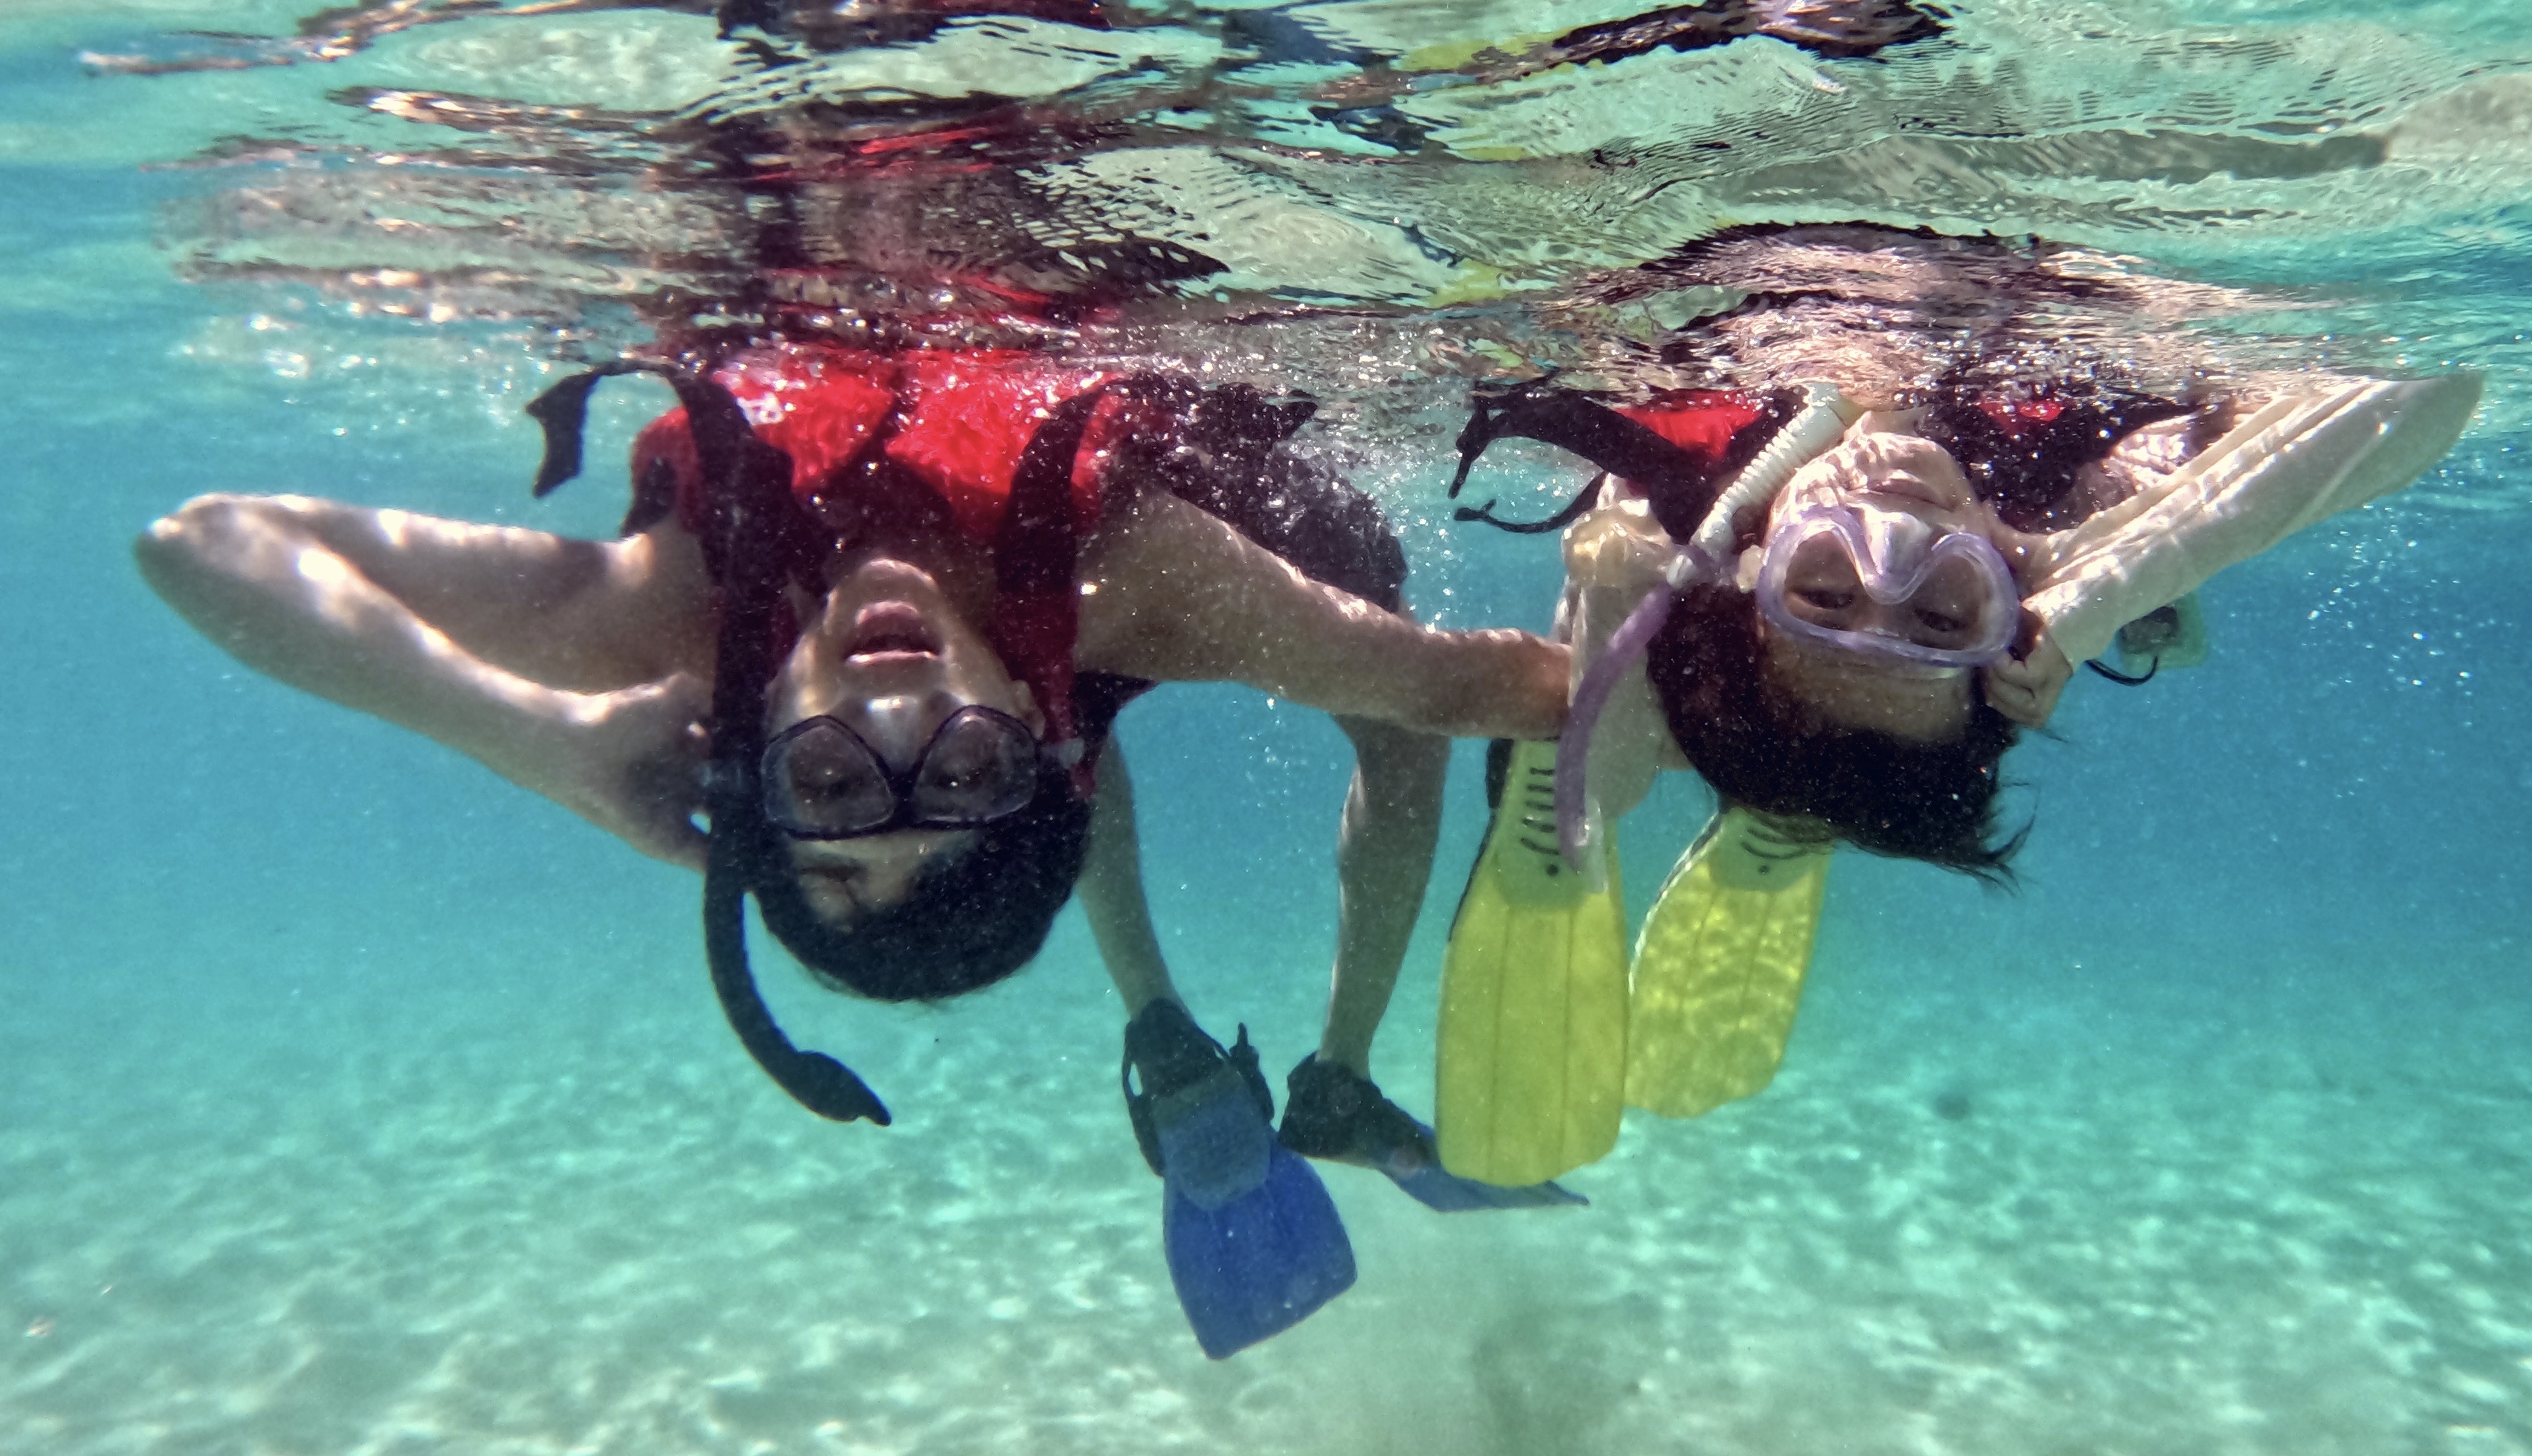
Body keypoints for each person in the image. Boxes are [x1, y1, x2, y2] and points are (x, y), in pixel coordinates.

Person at [138, 340, 1573, 1354]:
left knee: (1042, 783)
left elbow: (207, 541)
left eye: (829, 782)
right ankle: (1312, 1061)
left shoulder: (684, 608)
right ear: (1026, 724)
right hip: (1121, 588)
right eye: (957, 761)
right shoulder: (1148, 581)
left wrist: (540, 739)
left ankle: (1181, 1032)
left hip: (1034, 628)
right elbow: (1455, 682)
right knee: (1381, 714)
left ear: (755, 751)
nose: (896, 709)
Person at [1429, 362, 2482, 1185]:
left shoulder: (1702, 491)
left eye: (1823, 587)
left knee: (1621, 578)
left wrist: (1616, 585)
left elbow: (1602, 789)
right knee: (1673, 619)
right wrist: (2106, 586)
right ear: (2004, 581)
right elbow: (2429, 389)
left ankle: (1782, 783)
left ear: (1758, 575)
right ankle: (1797, 788)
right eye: (1941, 607)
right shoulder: (2067, 493)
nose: (1888, 537)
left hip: (1690, 582)